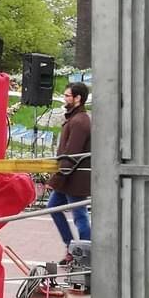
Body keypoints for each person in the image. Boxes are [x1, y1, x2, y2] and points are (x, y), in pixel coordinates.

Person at [48, 81, 92, 252]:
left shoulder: (79, 122)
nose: (64, 99)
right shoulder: (76, 119)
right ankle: (72, 248)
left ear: (78, 98)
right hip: (69, 177)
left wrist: (54, 180)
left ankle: (84, 253)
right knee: (53, 207)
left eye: (67, 96)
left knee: (79, 216)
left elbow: (71, 155)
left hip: (75, 178)